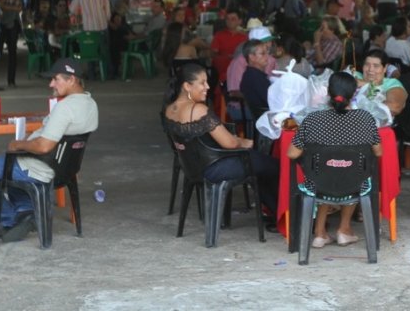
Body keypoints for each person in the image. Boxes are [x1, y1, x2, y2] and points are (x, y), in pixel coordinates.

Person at [0, 58, 99, 242]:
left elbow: (44, 146)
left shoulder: (65, 107)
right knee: (3, 169)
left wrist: (19, 144)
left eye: (56, 79)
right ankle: (26, 212)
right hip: (65, 169)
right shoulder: (90, 105)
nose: (51, 84)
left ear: (72, 79)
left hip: (39, 167)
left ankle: (10, 220)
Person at [162, 63, 278, 225]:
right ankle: (283, 214)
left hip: (192, 166)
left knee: (260, 166)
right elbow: (230, 143)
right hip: (213, 167)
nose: (207, 87)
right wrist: (245, 142)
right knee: (275, 166)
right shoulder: (198, 110)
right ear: (187, 86)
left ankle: (275, 212)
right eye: (202, 83)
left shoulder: (169, 108)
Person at [287, 72, 382, 248]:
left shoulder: (312, 120)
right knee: (350, 173)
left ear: (328, 94)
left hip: (318, 184)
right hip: (354, 184)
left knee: (326, 174)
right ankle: (343, 231)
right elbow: (378, 151)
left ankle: (319, 234)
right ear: (354, 94)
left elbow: (292, 154)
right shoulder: (366, 119)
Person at [355, 49, 408, 118]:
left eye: (376, 66)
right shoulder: (354, 75)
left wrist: (368, 86)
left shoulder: (392, 83)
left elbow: (394, 107)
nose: (370, 69)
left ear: (385, 68)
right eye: (367, 64)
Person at [0, 0, 23, 88]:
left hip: (13, 24)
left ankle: (11, 80)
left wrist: (6, 7)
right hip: (0, 24)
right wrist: (11, 8)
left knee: (12, 52)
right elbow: (0, 6)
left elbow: (19, 8)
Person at [239, 39, 272, 119]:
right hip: (266, 120)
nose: (267, 56)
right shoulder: (255, 77)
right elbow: (270, 101)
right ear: (252, 57)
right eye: (262, 54)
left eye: (267, 53)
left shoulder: (252, 74)